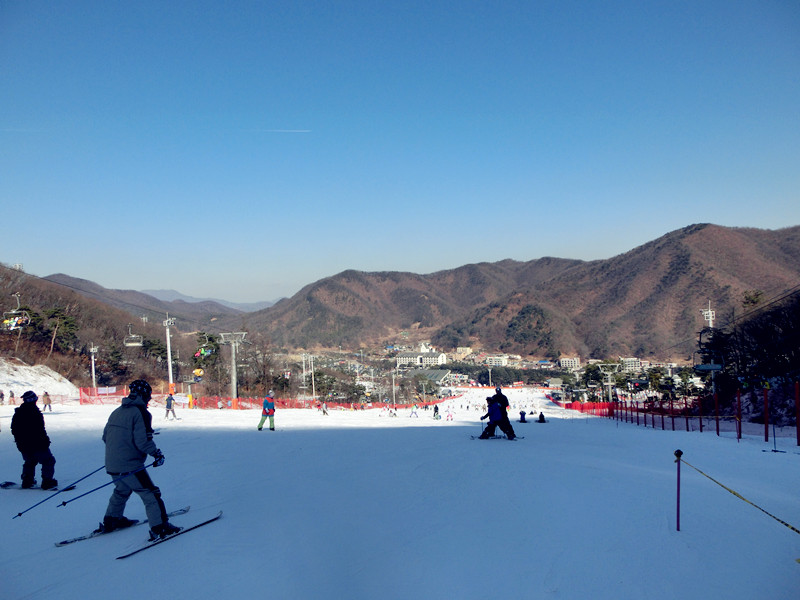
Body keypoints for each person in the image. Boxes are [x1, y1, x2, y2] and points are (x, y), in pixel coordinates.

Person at [99, 379, 181, 541]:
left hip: (112, 463)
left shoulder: (116, 411)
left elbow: (105, 437)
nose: (149, 399)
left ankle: (112, 519)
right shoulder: (141, 413)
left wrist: (119, 451)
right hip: (130, 465)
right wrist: (156, 454)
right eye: (148, 396)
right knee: (150, 493)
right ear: (144, 395)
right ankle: (159, 527)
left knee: (122, 490)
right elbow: (143, 441)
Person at [10, 391, 58, 489]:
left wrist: (19, 441)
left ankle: (27, 481)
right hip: (37, 444)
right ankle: (47, 481)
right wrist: (45, 441)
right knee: (48, 461)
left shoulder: (19, 413)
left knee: (30, 461)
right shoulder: (35, 413)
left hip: (24, 444)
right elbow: (39, 430)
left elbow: (14, 429)